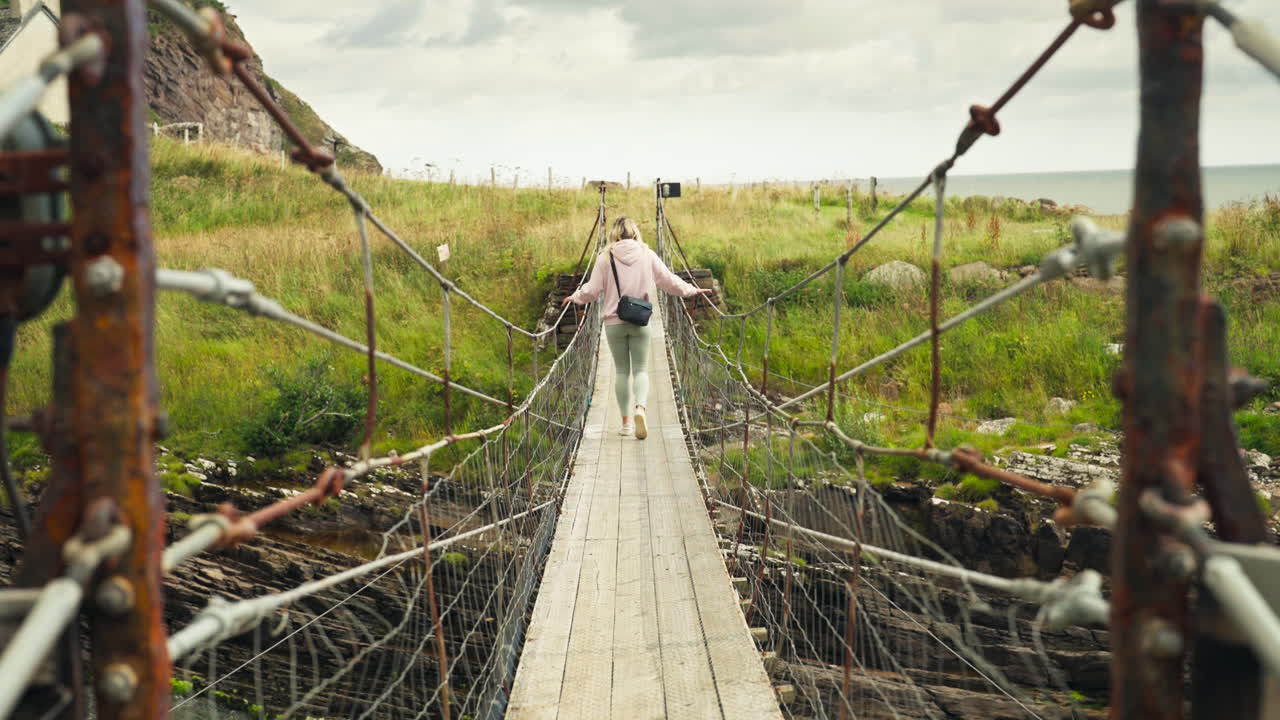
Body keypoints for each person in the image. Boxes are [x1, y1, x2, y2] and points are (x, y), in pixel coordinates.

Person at [564, 216, 712, 439]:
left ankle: (625, 425)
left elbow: (592, 290)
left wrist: (575, 297)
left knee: (622, 371)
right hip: (641, 320)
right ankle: (640, 409)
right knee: (641, 369)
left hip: (614, 323)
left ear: (614, 234)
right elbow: (668, 281)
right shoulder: (647, 254)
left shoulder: (605, 257)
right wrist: (691, 290)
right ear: (635, 233)